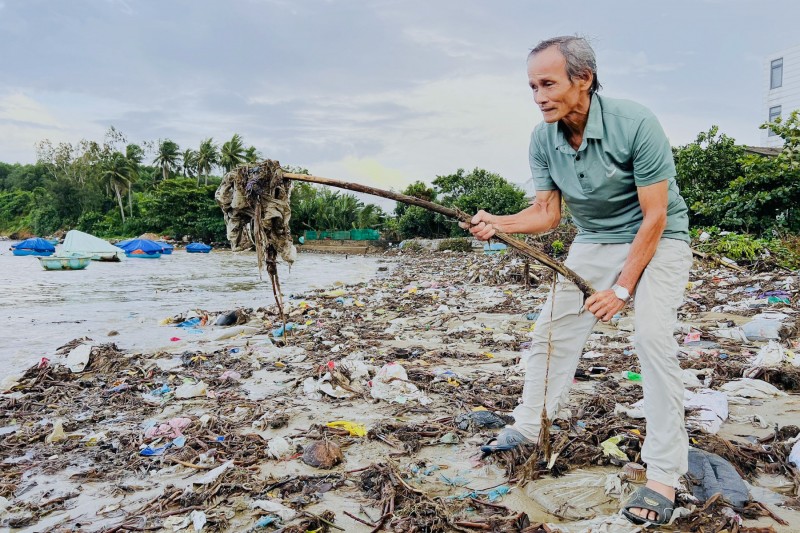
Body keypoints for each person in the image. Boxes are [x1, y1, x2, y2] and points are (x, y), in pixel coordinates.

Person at [463, 36, 692, 527]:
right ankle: (528, 426)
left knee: (652, 339)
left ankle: (665, 474)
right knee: (550, 332)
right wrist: (497, 222)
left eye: (548, 83)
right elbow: (546, 214)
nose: (538, 96)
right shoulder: (542, 138)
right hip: (594, 239)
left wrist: (623, 289)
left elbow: (654, 216)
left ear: (583, 79)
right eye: (532, 86)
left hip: (660, 236)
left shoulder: (635, 123)